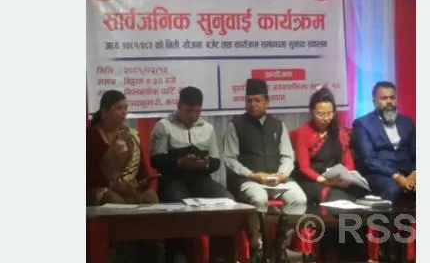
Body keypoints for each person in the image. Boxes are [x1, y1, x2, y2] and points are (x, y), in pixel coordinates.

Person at [223, 78, 307, 262]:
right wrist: (252, 175)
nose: (252, 104)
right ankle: (257, 246)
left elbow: (288, 156)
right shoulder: (235, 125)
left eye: (257, 100)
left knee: (299, 199)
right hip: (249, 179)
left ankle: (281, 241)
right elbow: (229, 159)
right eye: (249, 100)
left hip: (277, 179)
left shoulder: (278, 125)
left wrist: (282, 175)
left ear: (267, 101)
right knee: (258, 198)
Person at [150, 86, 233, 263]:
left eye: (197, 111)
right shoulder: (163, 126)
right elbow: (156, 160)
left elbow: (216, 161)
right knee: (179, 205)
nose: (193, 115)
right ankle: (178, 255)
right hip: (173, 180)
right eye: (189, 111)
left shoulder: (208, 128)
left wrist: (205, 164)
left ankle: (219, 255)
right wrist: (179, 162)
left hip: (200, 179)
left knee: (227, 201)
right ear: (179, 106)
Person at [292, 88, 370, 203]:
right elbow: (304, 167)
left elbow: (348, 163)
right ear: (311, 112)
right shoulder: (303, 133)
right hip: (312, 179)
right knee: (335, 194)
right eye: (321, 114)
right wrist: (326, 181)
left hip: (336, 178)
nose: (326, 118)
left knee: (361, 192)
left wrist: (344, 177)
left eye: (329, 113)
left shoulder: (340, 132)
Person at [86, 90, 159, 206]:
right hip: (99, 187)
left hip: (128, 186)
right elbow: (90, 172)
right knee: (114, 201)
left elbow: (140, 168)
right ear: (105, 112)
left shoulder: (129, 135)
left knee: (150, 197)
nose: (124, 112)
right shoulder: (91, 134)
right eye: (119, 108)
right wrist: (116, 186)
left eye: (126, 108)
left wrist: (143, 184)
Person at [351, 81, 416, 202]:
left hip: (407, 172)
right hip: (379, 174)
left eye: (392, 97)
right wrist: (396, 176)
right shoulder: (363, 124)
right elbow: (368, 159)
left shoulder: (407, 122)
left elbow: (416, 152)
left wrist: (414, 173)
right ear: (374, 102)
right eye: (384, 98)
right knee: (393, 189)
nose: (389, 101)